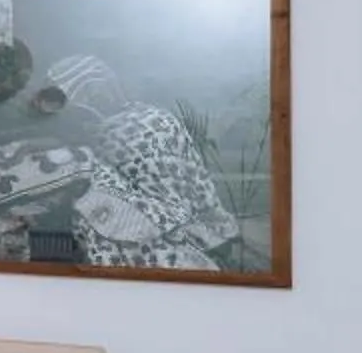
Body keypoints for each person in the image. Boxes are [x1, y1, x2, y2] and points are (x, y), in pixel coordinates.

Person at [42, 53, 245, 269]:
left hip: (136, 255)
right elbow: (200, 184)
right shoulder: (162, 119)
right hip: (188, 249)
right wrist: (221, 231)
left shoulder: (92, 141)